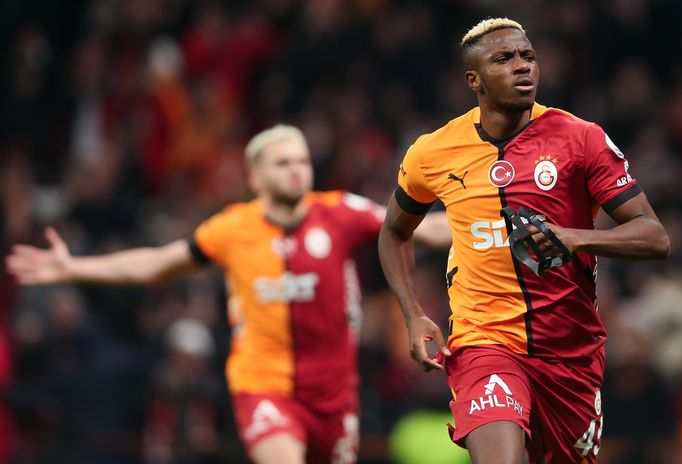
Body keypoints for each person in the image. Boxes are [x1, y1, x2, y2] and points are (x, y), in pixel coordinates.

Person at [5, 124, 452, 464]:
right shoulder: (232, 229)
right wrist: (73, 267)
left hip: (335, 395)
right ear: (255, 177)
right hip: (265, 386)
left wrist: (481, 219)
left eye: (301, 160)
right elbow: (158, 263)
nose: (297, 169)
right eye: (283, 163)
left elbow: (423, 230)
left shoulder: (340, 212)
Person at [378, 18, 670, 464]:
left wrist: (574, 239)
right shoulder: (432, 152)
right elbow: (395, 231)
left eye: (528, 56)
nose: (522, 66)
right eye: (504, 58)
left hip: (569, 351)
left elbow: (654, 236)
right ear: (474, 80)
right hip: (484, 341)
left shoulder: (581, 138)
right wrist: (413, 314)